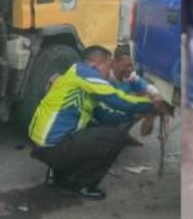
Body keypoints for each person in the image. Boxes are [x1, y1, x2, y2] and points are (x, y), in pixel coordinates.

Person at [28, 46, 168, 200]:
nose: (109, 71)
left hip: (43, 144)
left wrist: (137, 114)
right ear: (95, 64)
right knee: (115, 138)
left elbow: (105, 115)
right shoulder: (85, 73)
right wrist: (152, 103)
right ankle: (81, 184)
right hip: (52, 147)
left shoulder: (75, 78)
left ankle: (57, 175)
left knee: (98, 129)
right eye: (108, 66)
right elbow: (117, 99)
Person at [101, 44, 159, 146]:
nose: (130, 69)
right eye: (126, 65)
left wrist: (150, 118)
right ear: (114, 63)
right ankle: (115, 136)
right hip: (104, 115)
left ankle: (123, 134)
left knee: (149, 103)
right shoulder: (103, 78)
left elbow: (151, 92)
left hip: (120, 111)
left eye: (132, 65)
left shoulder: (131, 76)